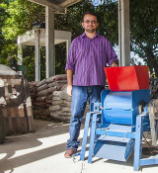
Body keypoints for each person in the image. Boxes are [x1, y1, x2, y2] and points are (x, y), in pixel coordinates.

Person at [64, 12, 119, 158]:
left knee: (98, 116)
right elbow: (69, 65)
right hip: (79, 86)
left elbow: (113, 60)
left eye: (93, 21)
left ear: (97, 24)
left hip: (97, 86)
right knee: (76, 116)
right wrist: (69, 85)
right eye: (87, 21)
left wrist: (113, 65)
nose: (90, 23)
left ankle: (97, 144)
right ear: (83, 24)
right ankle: (72, 146)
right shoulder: (76, 42)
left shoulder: (104, 42)